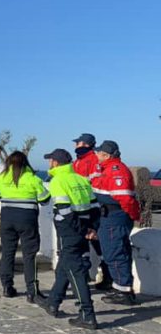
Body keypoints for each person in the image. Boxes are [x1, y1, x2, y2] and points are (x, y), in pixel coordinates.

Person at [37, 149, 98, 330]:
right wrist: (92, 228)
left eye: (50, 161)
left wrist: (81, 231)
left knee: (75, 272)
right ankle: (53, 302)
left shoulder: (57, 181)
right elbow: (95, 207)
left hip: (70, 231)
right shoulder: (81, 179)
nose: (49, 164)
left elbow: (65, 211)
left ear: (55, 163)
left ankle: (87, 314)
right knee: (65, 264)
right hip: (84, 228)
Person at [0, 151, 50, 302]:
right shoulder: (32, 178)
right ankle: (32, 291)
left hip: (6, 218)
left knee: (7, 252)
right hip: (27, 219)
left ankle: (7, 287)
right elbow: (45, 199)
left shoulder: (1, 177)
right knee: (29, 255)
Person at [93, 140, 140, 305]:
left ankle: (123, 291)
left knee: (115, 252)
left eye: (98, 153)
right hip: (111, 216)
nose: (96, 155)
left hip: (115, 217)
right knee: (118, 251)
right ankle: (122, 288)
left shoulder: (116, 170)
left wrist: (132, 215)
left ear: (106, 155)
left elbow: (125, 198)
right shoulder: (107, 169)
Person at [72, 133, 110, 289]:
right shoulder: (78, 162)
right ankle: (84, 275)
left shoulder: (93, 160)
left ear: (84, 144)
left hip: (92, 206)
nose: (75, 146)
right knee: (83, 242)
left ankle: (106, 275)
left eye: (77, 143)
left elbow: (95, 182)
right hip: (81, 206)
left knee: (96, 240)